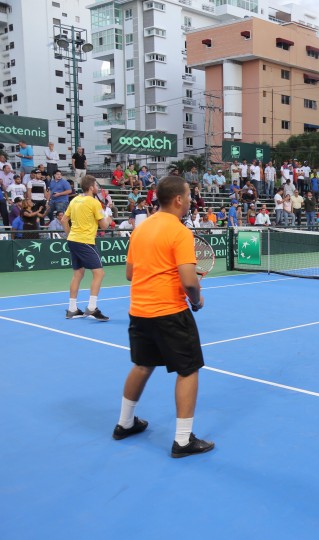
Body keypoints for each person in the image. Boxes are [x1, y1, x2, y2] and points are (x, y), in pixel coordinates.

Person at [112, 175, 214, 458]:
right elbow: (189, 281)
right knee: (188, 369)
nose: (191, 199)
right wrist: (196, 299)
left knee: (143, 364)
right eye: (189, 195)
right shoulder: (180, 232)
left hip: (139, 311)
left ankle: (125, 423)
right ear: (179, 199)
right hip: (169, 312)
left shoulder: (141, 229)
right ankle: (183, 441)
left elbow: (131, 273)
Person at [62, 175, 112, 320]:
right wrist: (108, 218)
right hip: (85, 242)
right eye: (96, 185)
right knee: (99, 273)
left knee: (78, 273)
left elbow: (64, 220)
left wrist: (70, 235)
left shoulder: (75, 199)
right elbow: (104, 226)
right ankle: (91, 307)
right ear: (91, 188)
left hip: (73, 240)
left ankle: (72, 309)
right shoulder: (94, 203)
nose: (97, 187)